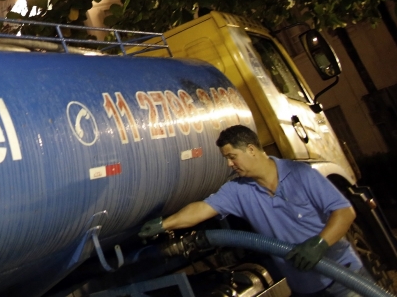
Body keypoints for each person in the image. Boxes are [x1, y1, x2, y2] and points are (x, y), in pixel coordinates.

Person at [138, 125, 368, 297]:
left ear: (251, 150)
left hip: (345, 280)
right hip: (305, 289)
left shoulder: (301, 174)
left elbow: (344, 212)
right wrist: (164, 224)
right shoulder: (238, 190)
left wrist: (320, 243)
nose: (229, 164)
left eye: (231, 157)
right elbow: (202, 209)